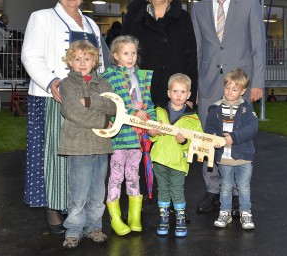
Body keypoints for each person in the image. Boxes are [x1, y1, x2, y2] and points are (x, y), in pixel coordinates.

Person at [21, 0, 109, 234]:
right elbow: (31, 55)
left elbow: (100, 63)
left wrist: (102, 95)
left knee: (84, 155)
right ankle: (53, 207)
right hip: (54, 97)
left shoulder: (92, 24)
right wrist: (51, 81)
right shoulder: (42, 17)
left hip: (88, 99)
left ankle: (77, 208)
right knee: (56, 156)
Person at [191, 0, 266, 215]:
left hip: (240, 85)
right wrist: (197, 88)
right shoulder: (198, 8)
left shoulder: (249, 3)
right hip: (209, 85)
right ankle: (213, 190)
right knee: (208, 138)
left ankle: (235, 193)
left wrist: (257, 82)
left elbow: (258, 45)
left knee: (236, 138)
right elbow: (199, 50)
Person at [57, 40, 116, 249]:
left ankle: (94, 227)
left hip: (101, 145)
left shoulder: (104, 84)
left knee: (97, 192)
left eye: (87, 58)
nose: (82, 63)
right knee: (79, 192)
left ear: (95, 61)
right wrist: (101, 120)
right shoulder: (67, 84)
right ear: (70, 62)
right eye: (77, 58)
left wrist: (90, 100)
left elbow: (113, 105)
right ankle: (73, 230)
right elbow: (72, 111)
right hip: (77, 145)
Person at [101, 35, 156, 236]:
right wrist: (133, 113)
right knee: (116, 177)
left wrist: (152, 121)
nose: (131, 57)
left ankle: (134, 216)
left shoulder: (141, 76)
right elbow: (112, 103)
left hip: (137, 138)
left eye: (133, 53)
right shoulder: (109, 76)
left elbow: (148, 102)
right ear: (115, 56)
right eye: (126, 53)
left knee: (134, 175)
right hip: (119, 136)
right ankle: (115, 217)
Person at [121, 0, 198, 109]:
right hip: (139, 90)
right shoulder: (134, 16)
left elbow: (190, 58)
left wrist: (190, 95)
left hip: (174, 92)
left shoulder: (183, 18)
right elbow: (120, 54)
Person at [149, 73, 203, 237]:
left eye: (182, 92)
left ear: (188, 95)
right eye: (175, 91)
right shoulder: (158, 112)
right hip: (159, 159)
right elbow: (152, 136)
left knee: (177, 191)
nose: (178, 95)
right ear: (168, 93)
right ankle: (164, 219)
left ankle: (180, 220)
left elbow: (198, 141)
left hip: (179, 162)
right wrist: (152, 133)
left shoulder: (193, 119)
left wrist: (184, 142)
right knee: (163, 191)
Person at [204, 69, 258, 230]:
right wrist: (214, 137)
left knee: (243, 186)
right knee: (226, 186)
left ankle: (246, 213)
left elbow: (253, 128)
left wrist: (234, 137)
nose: (229, 92)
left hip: (243, 157)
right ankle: (225, 212)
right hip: (224, 158)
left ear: (243, 91)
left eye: (234, 89)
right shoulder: (215, 108)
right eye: (227, 88)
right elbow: (209, 127)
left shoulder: (246, 108)